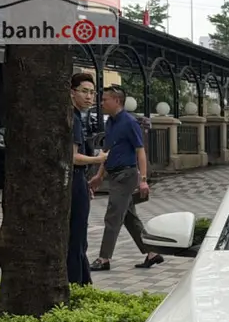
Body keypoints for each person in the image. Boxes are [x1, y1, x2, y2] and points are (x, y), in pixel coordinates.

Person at [88, 86, 162, 271]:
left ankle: (104, 259)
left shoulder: (130, 122)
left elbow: (140, 151)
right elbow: (107, 151)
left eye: (105, 99)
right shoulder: (110, 123)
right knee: (129, 217)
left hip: (126, 175)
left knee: (112, 216)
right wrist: (99, 175)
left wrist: (143, 180)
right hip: (114, 174)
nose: (101, 103)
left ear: (117, 101)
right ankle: (152, 253)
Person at [69, 73, 106, 285]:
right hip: (74, 180)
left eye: (92, 92)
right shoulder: (73, 119)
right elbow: (73, 157)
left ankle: (80, 281)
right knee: (77, 236)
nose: (89, 97)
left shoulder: (77, 117)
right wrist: (98, 159)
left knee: (78, 236)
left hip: (78, 181)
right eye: (84, 91)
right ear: (72, 92)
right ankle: (78, 283)